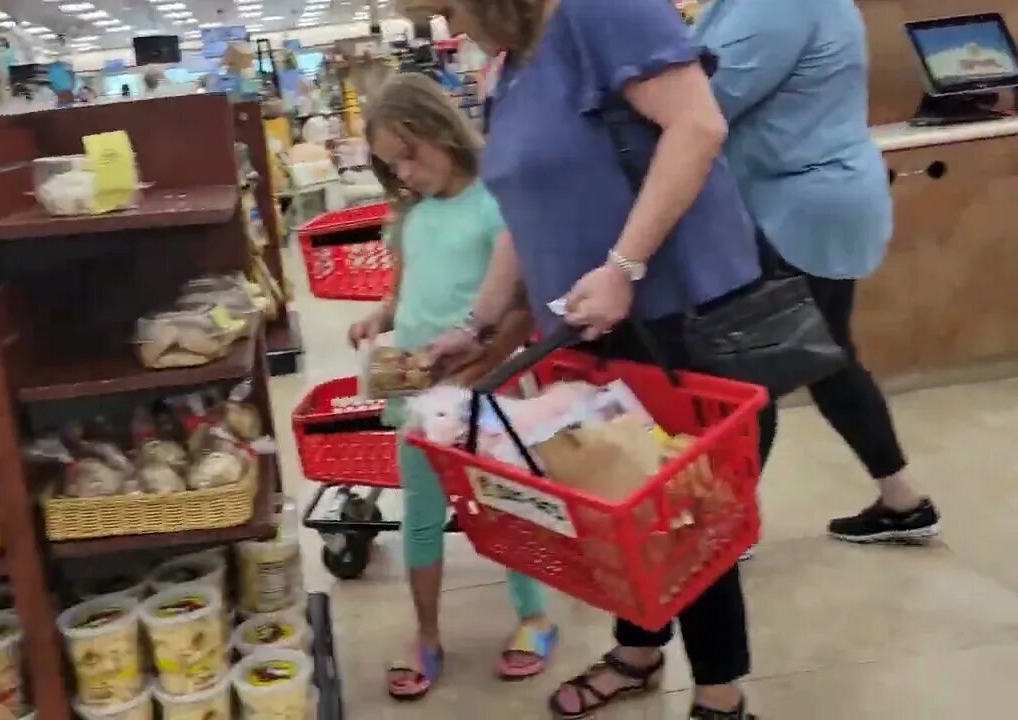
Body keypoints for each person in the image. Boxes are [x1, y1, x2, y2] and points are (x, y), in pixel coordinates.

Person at [418, 0, 775, 717]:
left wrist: (623, 266)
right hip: (596, 341)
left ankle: (720, 695)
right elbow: (523, 218)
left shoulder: (604, 11)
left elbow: (697, 126)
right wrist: (478, 321)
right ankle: (639, 652)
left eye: (451, 6)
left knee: (687, 517)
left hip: (681, 323)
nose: (450, 27)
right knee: (619, 507)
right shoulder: (507, 71)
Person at [693, 0, 941, 544]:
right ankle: (902, 500)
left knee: (755, 366)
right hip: (805, 196)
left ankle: (728, 528)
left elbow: (704, 101)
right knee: (823, 355)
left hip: (799, 203)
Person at [346, 73, 557, 702]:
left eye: (410, 155)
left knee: (507, 505)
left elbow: (520, 304)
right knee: (420, 515)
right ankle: (428, 634)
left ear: (442, 130)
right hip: (417, 396)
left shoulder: (497, 200)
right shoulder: (411, 216)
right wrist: (379, 319)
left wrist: (491, 358)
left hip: (486, 389)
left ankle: (534, 614)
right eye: (392, 165)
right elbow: (401, 291)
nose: (405, 173)